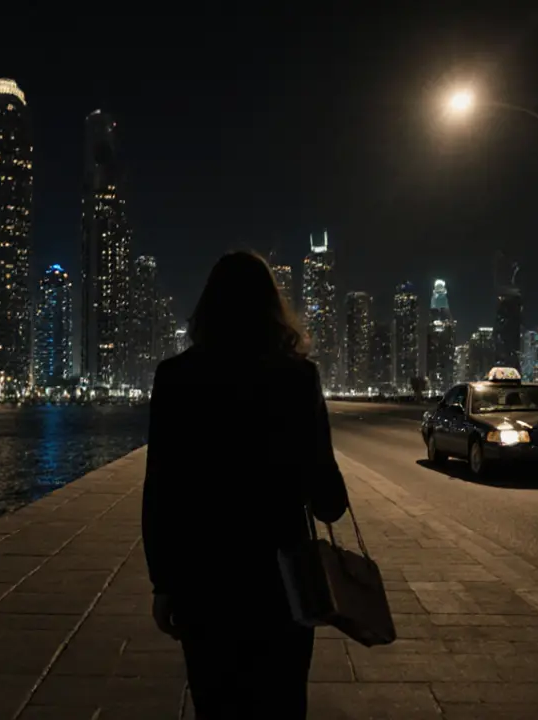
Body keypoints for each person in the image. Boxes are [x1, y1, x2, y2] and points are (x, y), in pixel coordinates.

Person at [141, 250, 349, 719]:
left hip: (203, 581)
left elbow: (160, 494)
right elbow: (328, 500)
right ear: (273, 309)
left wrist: (163, 583)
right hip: (283, 582)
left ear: (207, 308)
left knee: (215, 704)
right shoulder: (299, 377)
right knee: (282, 703)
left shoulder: (175, 378)